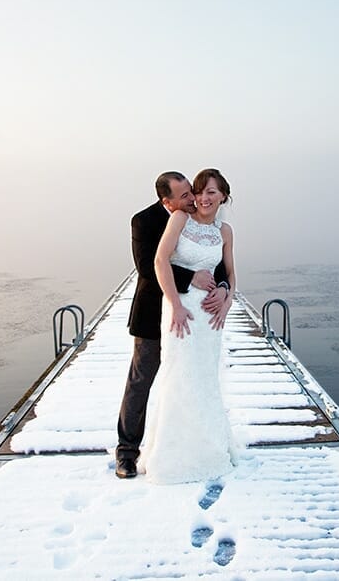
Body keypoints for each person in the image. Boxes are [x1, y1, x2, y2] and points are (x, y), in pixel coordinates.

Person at [115, 172, 230, 479]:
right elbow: (147, 268)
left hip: (195, 318)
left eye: (191, 193)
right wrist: (189, 278)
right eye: (184, 196)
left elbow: (216, 263)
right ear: (166, 201)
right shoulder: (144, 221)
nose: (192, 200)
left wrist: (224, 290)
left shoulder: (197, 218)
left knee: (188, 380)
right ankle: (126, 452)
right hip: (155, 313)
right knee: (141, 382)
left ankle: (191, 446)